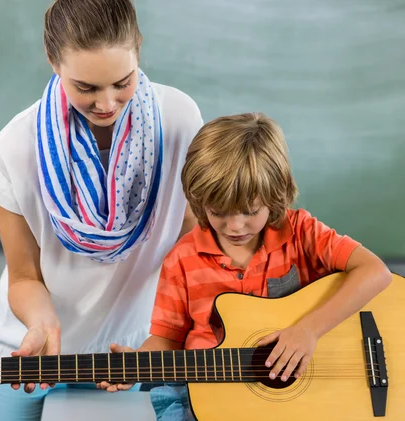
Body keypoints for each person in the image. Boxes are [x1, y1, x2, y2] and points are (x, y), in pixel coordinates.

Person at [0, 0, 204, 418]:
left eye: (122, 81)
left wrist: (167, 337)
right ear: (52, 61)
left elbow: (187, 245)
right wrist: (42, 325)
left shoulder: (180, 121)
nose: (107, 103)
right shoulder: (16, 147)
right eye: (86, 88)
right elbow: (24, 276)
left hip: (136, 353)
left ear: (139, 48)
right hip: (38, 358)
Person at [100, 112, 392, 420]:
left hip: (299, 399)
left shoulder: (302, 232)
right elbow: (167, 338)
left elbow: (375, 272)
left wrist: (308, 330)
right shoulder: (182, 259)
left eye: (250, 211)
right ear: (200, 202)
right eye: (218, 212)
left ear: (274, 195)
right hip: (207, 395)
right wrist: (137, 365)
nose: (235, 226)